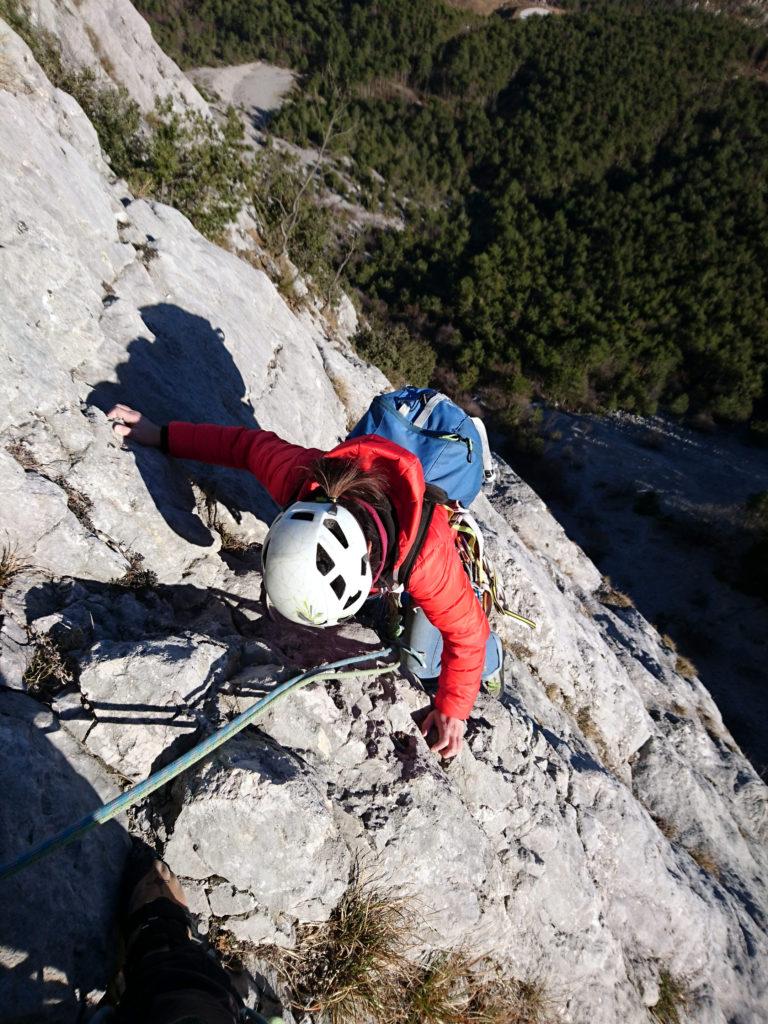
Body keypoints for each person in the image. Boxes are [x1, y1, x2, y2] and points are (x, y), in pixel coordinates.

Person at [107, 404, 503, 758]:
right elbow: (247, 446)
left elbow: (467, 634)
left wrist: (453, 709)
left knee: (421, 655)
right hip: (397, 431)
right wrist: (162, 434)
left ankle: (496, 660)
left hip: (449, 461)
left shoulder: (426, 555)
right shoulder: (305, 477)